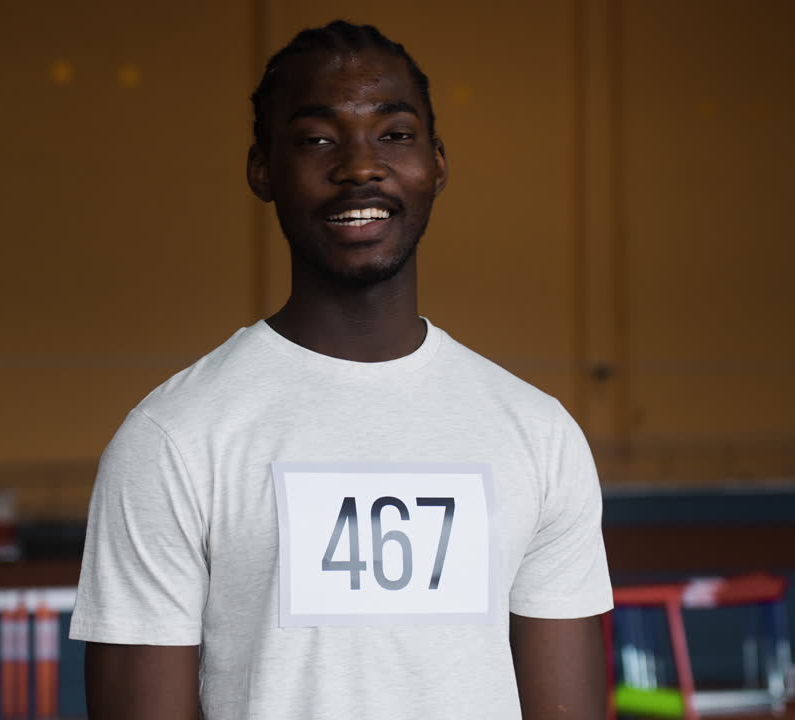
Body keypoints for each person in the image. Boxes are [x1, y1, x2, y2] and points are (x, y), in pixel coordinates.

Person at [70, 20, 612, 720]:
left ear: (437, 164)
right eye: (317, 139)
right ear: (262, 168)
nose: (360, 166)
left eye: (394, 134)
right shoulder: (171, 440)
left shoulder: (539, 436)